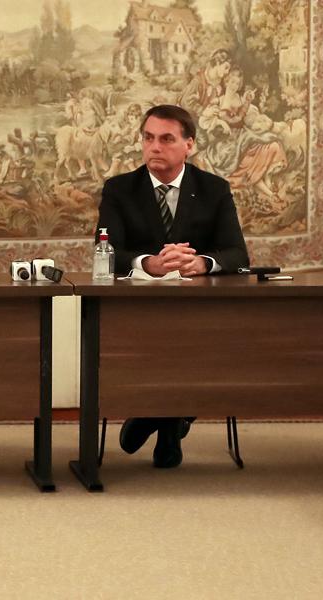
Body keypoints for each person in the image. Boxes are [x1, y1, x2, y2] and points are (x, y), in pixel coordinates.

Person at [96, 104, 250, 469]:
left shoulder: (213, 189)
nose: (154, 147)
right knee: (159, 347)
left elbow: (236, 253)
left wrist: (202, 263)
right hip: (137, 311)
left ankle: (155, 420)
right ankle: (170, 424)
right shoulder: (119, 189)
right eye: (148, 138)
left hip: (199, 309)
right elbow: (105, 251)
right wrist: (147, 263)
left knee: (204, 349)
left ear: (189, 145)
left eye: (166, 139)